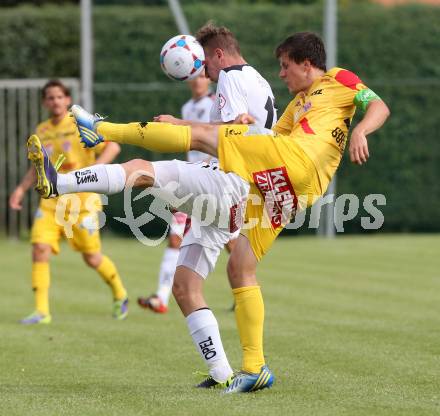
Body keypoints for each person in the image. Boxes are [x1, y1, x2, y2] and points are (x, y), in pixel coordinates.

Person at [27, 32, 390, 392]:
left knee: (174, 154)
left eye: (286, 66)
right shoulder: (295, 105)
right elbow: (264, 137)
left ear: (307, 64)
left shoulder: (336, 78)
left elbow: (378, 106)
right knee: (236, 269)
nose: (281, 74)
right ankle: (252, 368)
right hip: (284, 189)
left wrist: (362, 130)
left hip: (290, 164)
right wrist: (221, 130)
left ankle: (99, 131)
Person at [138, 23, 276, 314]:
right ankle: (166, 297)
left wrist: (179, 124)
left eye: (204, 63)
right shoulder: (257, 77)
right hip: (247, 173)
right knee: (232, 262)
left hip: (224, 178)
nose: (202, 72)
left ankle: (165, 297)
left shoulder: (229, 76)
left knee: (145, 176)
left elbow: (228, 131)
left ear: (218, 55)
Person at [9, 80, 129, 324]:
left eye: (59, 97)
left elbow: (113, 147)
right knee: (39, 249)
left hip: (82, 201)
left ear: (67, 99)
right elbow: (38, 167)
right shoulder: (41, 130)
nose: (55, 101)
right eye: (50, 97)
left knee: (91, 257)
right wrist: (20, 190)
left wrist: (96, 168)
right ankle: (42, 311)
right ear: (45, 102)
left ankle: (120, 293)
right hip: (52, 201)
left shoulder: (79, 122)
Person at [137, 73, 214, 313]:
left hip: (212, 181)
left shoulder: (215, 106)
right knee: (175, 237)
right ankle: (161, 297)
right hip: (192, 181)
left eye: (202, 76)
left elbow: (218, 142)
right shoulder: (187, 107)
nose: (198, 81)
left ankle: (243, 289)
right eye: (195, 77)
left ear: (209, 80)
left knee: (232, 244)